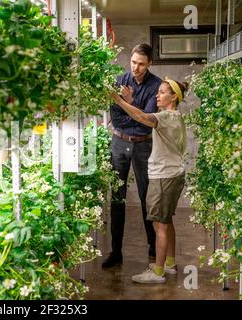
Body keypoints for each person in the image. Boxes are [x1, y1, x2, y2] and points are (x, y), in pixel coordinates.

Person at [109, 78, 188, 284]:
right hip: (173, 174)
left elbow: (142, 117)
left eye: (162, 92)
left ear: (173, 97)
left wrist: (118, 100)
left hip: (163, 177)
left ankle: (158, 272)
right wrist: (130, 101)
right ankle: (169, 263)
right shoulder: (174, 116)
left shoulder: (166, 118)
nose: (157, 95)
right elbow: (142, 116)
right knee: (166, 220)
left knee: (158, 225)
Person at [102, 44, 161, 268]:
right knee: (117, 198)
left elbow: (146, 123)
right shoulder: (119, 81)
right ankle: (116, 252)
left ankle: (154, 249)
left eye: (141, 64)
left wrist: (129, 103)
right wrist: (134, 112)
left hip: (142, 145)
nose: (136, 68)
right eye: (134, 62)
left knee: (148, 197)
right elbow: (116, 119)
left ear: (149, 64)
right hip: (119, 143)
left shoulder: (156, 85)